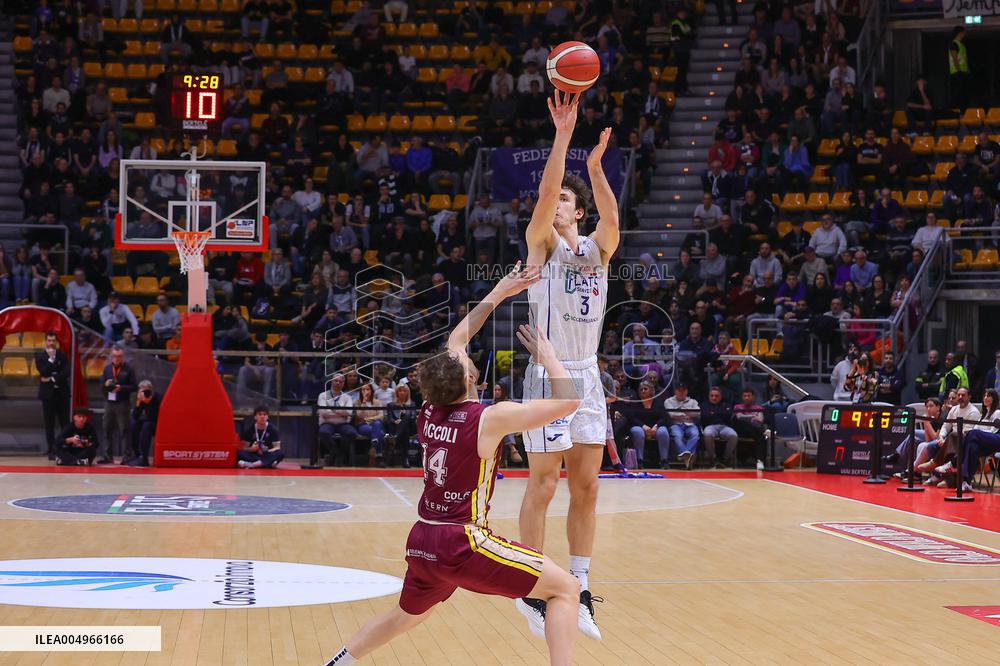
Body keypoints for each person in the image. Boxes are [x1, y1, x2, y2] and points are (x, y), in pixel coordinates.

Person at [322, 265, 581, 666]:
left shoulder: (429, 408)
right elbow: (568, 402)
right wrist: (549, 359)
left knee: (407, 616)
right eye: (465, 363)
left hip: (423, 537)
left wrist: (500, 290)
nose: (465, 357)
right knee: (565, 588)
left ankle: (338, 661)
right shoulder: (488, 418)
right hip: (462, 542)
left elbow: (458, 337)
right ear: (468, 380)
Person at [518, 93, 620, 641]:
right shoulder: (540, 247)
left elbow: (612, 216)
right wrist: (563, 137)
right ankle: (532, 590)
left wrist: (596, 169)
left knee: (588, 487)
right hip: (548, 377)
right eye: (551, 198)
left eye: (564, 199)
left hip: (587, 377)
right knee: (543, 484)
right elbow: (541, 194)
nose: (555, 204)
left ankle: (579, 589)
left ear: (577, 211)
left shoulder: (599, 251)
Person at [98, 345, 137, 464]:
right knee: (106, 429)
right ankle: (107, 456)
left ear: (123, 356)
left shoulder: (129, 369)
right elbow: (101, 386)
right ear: (111, 356)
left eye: (119, 356)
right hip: (109, 403)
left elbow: (134, 386)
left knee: (124, 430)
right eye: (114, 356)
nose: (116, 358)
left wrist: (122, 388)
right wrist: (105, 384)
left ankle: (127, 456)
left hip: (122, 403)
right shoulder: (107, 369)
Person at [35, 330, 70, 460]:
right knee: (49, 423)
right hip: (48, 396)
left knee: (64, 423)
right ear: (46, 341)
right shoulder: (40, 356)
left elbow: (66, 372)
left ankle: (64, 448)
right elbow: (43, 371)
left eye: (53, 340)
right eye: (49, 340)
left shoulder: (62, 355)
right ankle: (51, 449)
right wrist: (50, 360)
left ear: (56, 341)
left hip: (62, 394)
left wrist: (52, 379)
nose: (51, 343)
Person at [960, 389, 1000, 492]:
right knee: (972, 447)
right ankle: (966, 482)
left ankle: (954, 461)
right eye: (984, 396)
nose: (986, 398)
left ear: (994, 398)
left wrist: (979, 435)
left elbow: (993, 432)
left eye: (989, 396)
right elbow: (975, 429)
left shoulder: (997, 412)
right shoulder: (983, 415)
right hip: (984, 443)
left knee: (973, 434)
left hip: (996, 440)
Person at [318, 373, 357, 466]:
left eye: (340, 381)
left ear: (343, 384)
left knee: (352, 433)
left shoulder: (347, 397)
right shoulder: (323, 395)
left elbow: (349, 412)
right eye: (336, 381)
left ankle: (338, 453)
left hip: (343, 424)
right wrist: (341, 412)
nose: (338, 383)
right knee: (324, 432)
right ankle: (336, 452)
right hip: (327, 423)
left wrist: (332, 410)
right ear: (331, 382)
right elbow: (324, 413)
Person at [664, 382, 700, 468]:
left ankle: (685, 455)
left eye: (683, 391)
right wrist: (687, 412)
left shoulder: (693, 401)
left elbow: (697, 413)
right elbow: (671, 414)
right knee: (677, 435)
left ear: (686, 391)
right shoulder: (668, 401)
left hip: (690, 424)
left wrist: (680, 411)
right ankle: (688, 456)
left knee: (695, 434)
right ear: (675, 391)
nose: (681, 392)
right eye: (679, 391)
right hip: (676, 424)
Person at [701, 386, 738, 468]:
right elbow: (705, 417)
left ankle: (725, 459)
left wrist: (713, 413)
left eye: (716, 396)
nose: (714, 398)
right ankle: (712, 459)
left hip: (724, 426)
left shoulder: (726, 404)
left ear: (721, 396)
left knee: (733, 435)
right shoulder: (704, 405)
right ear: (709, 396)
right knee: (707, 434)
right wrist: (720, 413)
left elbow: (728, 415)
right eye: (712, 395)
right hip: (710, 426)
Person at [127, 380, 159, 467]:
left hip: (158, 424)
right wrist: (138, 403)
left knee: (146, 425)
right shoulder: (141, 399)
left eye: (146, 390)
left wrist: (149, 401)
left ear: (151, 389)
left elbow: (154, 417)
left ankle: (144, 458)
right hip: (148, 422)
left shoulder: (157, 398)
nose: (145, 392)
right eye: (142, 390)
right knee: (133, 424)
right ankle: (137, 455)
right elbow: (135, 416)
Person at [383, 383, 415, 467]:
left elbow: (413, 418)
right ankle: (405, 459)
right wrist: (395, 421)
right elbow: (389, 418)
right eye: (400, 390)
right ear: (397, 392)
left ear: (407, 392)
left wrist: (403, 420)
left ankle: (395, 438)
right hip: (395, 427)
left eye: (404, 391)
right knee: (405, 433)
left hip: (409, 427)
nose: (402, 392)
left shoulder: (411, 404)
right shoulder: (391, 405)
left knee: (407, 418)